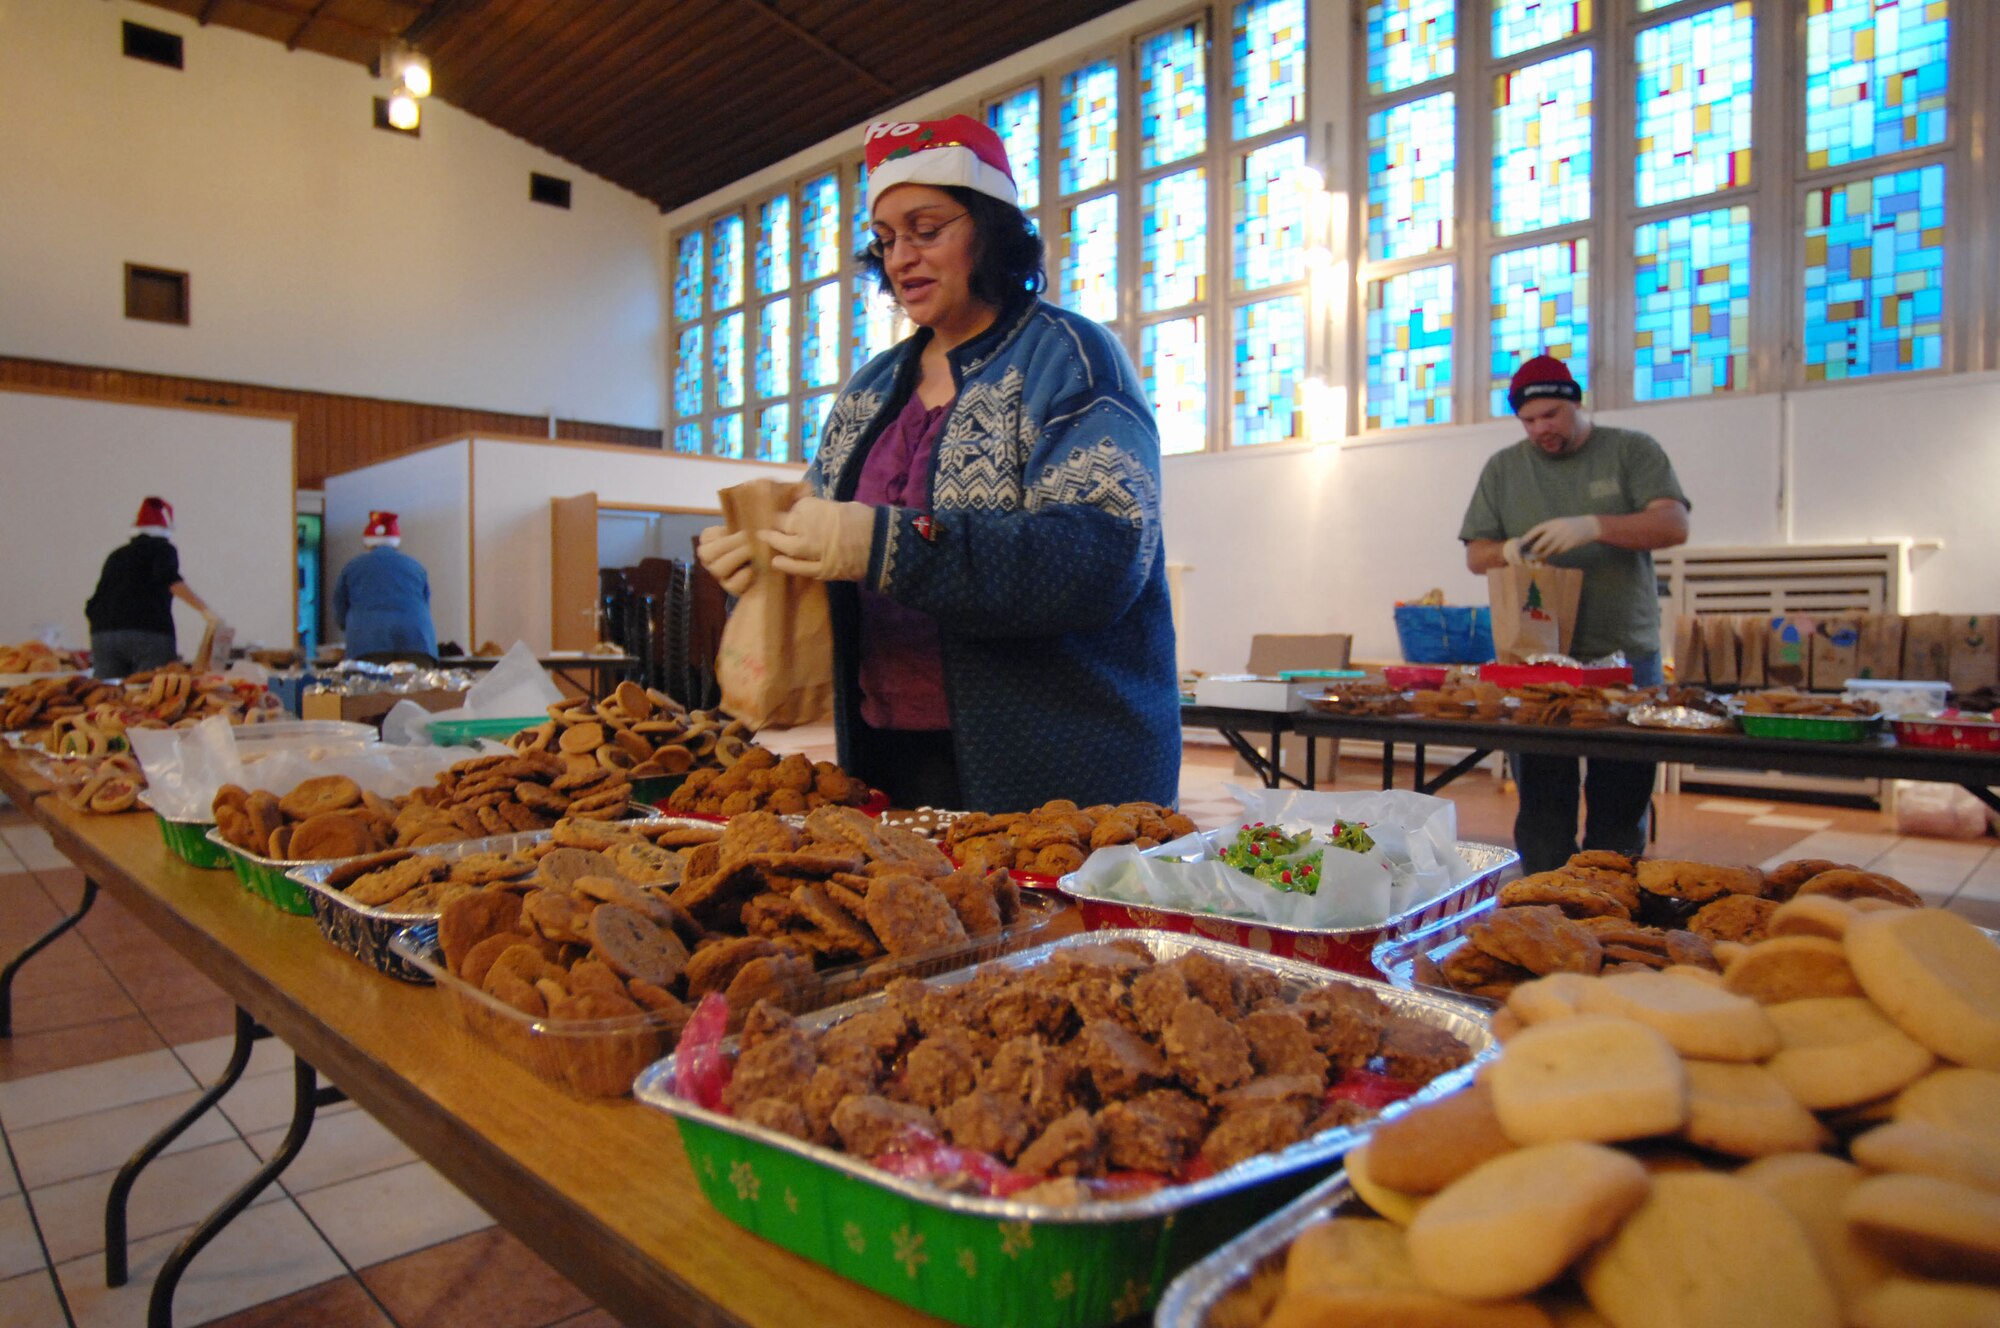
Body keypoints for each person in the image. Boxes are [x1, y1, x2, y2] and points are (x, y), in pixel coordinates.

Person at [696, 115, 1180, 812]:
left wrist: (887, 543)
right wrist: (765, 561)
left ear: (990, 228)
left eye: (927, 230)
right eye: (888, 239)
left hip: (1061, 763)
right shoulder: (870, 388)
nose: (901, 259)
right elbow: (831, 542)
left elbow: (1103, 555)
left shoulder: (1068, 356)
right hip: (888, 750)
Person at [1459, 355, 1692, 874]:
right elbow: (1477, 554)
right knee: (1542, 799)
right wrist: (1511, 549)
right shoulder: (1504, 468)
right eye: (1529, 420)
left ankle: (1612, 902)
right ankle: (1544, 899)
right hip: (1537, 659)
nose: (1542, 428)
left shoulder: (1631, 451)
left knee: (1620, 794)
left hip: (1623, 650)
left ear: (1576, 403)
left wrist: (1595, 526)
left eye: (1551, 415)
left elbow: (1673, 525)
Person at [85, 497, 217, 678]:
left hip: (103, 633)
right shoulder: (163, 549)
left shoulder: (116, 555)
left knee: (107, 693)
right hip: (148, 631)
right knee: (149, 692)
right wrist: (205, 611)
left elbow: (96, 599)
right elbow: (170, 580)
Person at [332, 511, 437, 662]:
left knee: (370, 685)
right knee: (419, 685)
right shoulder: (416, 567)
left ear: (367, 544)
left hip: (367, 642)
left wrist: (348, 628)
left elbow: (340, 607)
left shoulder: (353, 567)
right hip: (418, 642)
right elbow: (425, 603)